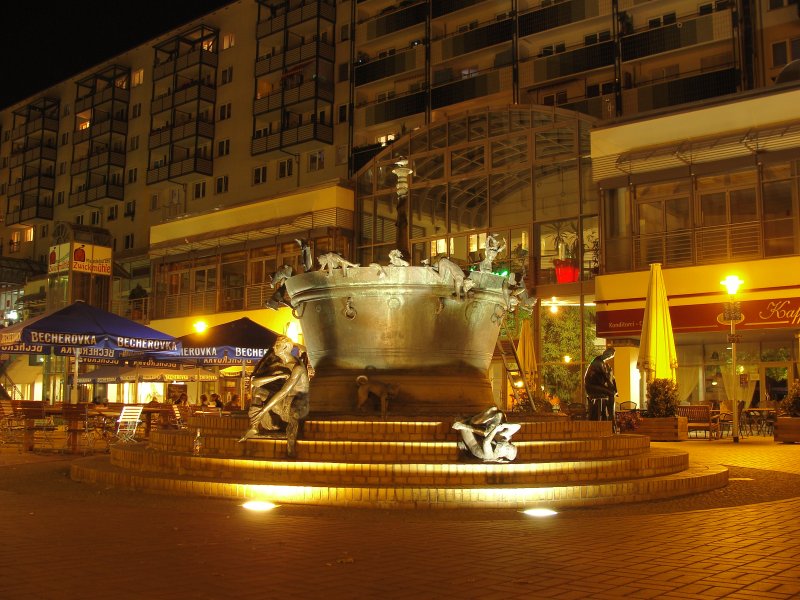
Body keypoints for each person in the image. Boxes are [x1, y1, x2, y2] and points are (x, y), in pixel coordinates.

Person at [239, 335, 310, 457]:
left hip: (297, 405)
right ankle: (254, 427)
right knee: (258, 391)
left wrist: (262, 411)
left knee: (294, 415)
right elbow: (254, 382)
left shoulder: (297, 367)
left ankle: (291, 448)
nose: (273, 347)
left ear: (286, 347)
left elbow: (283, 392)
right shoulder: (281, 364)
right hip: (284, 403)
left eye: (277, 345)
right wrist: (276, 376)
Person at [452, 406, 520, 463]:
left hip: (471, 440)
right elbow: (517, 426)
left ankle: (468, 420)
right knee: (498, 415)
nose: (507, 443)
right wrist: (503, 425)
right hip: (480, 436)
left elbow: (486, 442)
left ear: (506, 450)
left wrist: (496, 429)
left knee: (465, 422)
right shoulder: (499, 447)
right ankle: (482, 417)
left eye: (508, 445)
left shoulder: (490, 455)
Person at [584, 347, 618, 430]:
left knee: (611, 393)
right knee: (610, 393)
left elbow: (612, 378)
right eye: (608, 353)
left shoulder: (605, 364)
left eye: (610, 355)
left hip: (598, 386)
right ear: (604, 352)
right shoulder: (597, 361)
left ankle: (607, 416)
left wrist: (615, 389)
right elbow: (606, 377)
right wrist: (612, 389)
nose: (608, 356)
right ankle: (611, 418)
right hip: (592, 386)